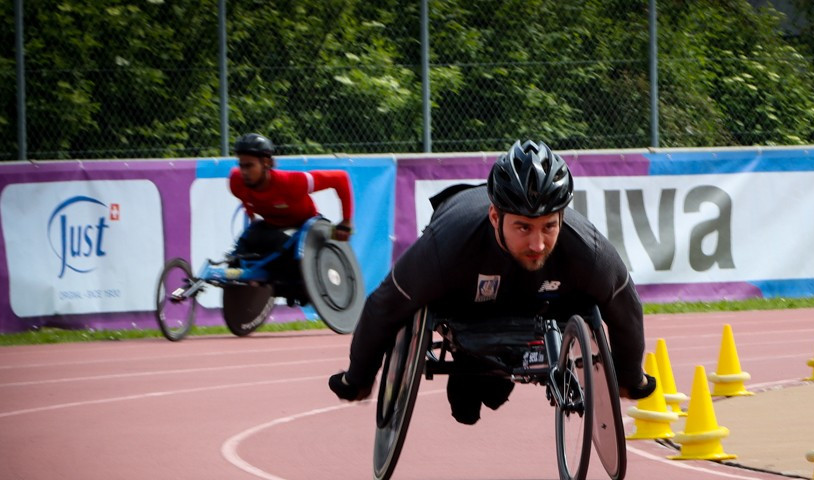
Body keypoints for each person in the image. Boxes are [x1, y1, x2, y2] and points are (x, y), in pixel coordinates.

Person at [328, 139, 655, 424]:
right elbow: (385, 304)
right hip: (464, 304)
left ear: (562, 218)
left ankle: (490, 372)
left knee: (493, 392)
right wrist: (358, 377)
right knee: (467, 406)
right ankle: (473, 370)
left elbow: (625, 306)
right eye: (523, 228)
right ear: (496, 217)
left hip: (538, 305)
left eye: (549, 227)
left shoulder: (588, 250)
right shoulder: (447, 245)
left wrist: (628, 377)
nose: (538, 244)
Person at [229, 133, 354, 302]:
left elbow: (340, 178)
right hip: (272, 224)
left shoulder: (292, 182)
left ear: (266, 163)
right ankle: (245, 279)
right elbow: (246, 198)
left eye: (249, 166)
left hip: (303, 226)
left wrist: (346, 221)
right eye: (241, 166)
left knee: (282, 252)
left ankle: (290, 286)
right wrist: (251, 217)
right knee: (245, 245)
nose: (244, 172)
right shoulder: (236, 181)